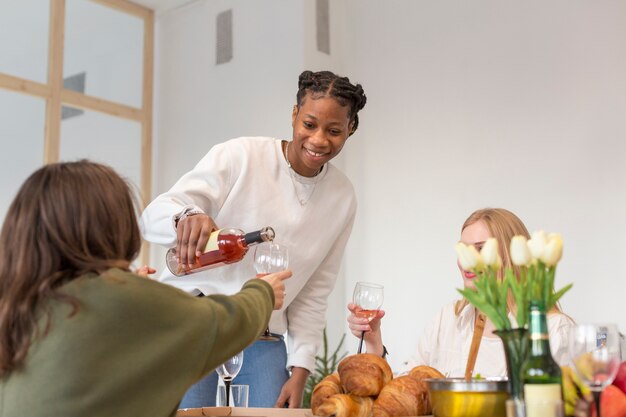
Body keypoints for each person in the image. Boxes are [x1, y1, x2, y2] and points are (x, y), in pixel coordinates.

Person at [140, 70, 367, 408]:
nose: (319, 140)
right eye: (309, 124)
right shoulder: (241, 156)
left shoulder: (342, 197)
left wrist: (301, 368)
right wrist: (186, 217)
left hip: (262, 338)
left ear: (350, 129)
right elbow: (153, 216)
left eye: (334, 130)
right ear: (294, 115)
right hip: (194, 323)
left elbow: (314, 290)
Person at [0, 161, 290, 417]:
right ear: (114, 229)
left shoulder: (17, 303)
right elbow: (221, 324)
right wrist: (262, 292)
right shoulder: (121, 298)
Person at [347, 208, 574, 377]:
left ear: (512, 254)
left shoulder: (554, 329)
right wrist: (374, 343)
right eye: (464, 250)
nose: (467, 262)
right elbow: (408, 390)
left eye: (481, 249)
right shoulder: (449, 319)